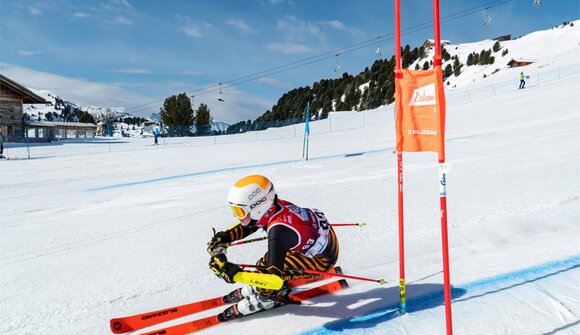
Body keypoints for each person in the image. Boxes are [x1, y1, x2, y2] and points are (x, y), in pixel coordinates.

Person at [207, 175, 340, 320]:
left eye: (239, 211)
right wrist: (226, 236)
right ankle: (260, 287)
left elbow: (273, 280)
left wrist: (234, 274)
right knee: (263, 264)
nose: (236, 216)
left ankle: (267, 298)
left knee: (265, 271)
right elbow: (253, 223)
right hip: (320, 241)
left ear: (257, 208)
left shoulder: (279, 232)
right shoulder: (275, 207)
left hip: (320, 261)